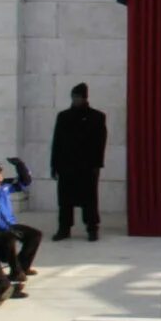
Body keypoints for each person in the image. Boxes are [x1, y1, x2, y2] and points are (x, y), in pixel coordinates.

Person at [49, 82, 108, 242]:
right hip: (66, 165)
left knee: (89, 200)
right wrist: (54, 165)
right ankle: (64, 228)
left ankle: (92, 228)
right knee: (65, 200)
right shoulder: (63, 117)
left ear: (85, 98)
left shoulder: (97, 117)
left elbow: (100, 143)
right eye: (74, 97)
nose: (76, 100)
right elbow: (57, 142)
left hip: (87, 166)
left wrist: (97, 165)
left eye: (79, 97)